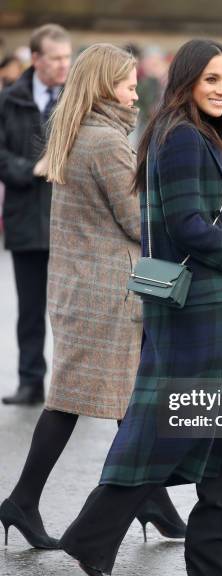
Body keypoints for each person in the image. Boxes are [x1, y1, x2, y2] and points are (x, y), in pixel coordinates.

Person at [56, 38, 222, 576]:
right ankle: (91, 537)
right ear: (186, 81)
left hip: (205, 305)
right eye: (211, 80)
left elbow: (195, 216)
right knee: (165, 432)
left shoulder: (187, 133)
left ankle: (219, 564)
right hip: (194, 310)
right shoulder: (180, 136)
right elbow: (184, 228)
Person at [0, 43, 185, 551]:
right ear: (105, 86)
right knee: (70, 402)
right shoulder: (105, 141)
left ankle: (149, 499)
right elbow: (134, 221)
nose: (135, 92)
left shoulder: (84, 129)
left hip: (92, 285)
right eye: (128, 84)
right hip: (105, 291)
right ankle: (23, 500)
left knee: (130, 399)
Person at [0, 24, 72, 406]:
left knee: (72, 310)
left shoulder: (79, 98)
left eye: (67, 57)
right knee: (30, 309)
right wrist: (32, 168)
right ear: (36, 59)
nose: (64, 65)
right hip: (26, 217)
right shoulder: (8, 99)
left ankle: (72, 387)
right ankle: (31, 381)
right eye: (56, 58)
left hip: (70, 221)